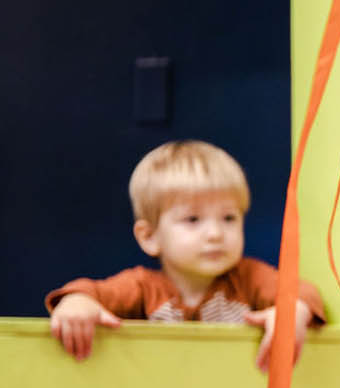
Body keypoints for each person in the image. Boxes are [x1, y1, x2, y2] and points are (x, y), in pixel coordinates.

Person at [46, 140, 325, 369]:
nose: (215, 233)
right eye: (193, 220)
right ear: (150, 237)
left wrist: (291, 313)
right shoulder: (141, 286)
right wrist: (75, 304)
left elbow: (301, 292)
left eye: (228, 218)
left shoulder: (250, 277)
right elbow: (89, 292)